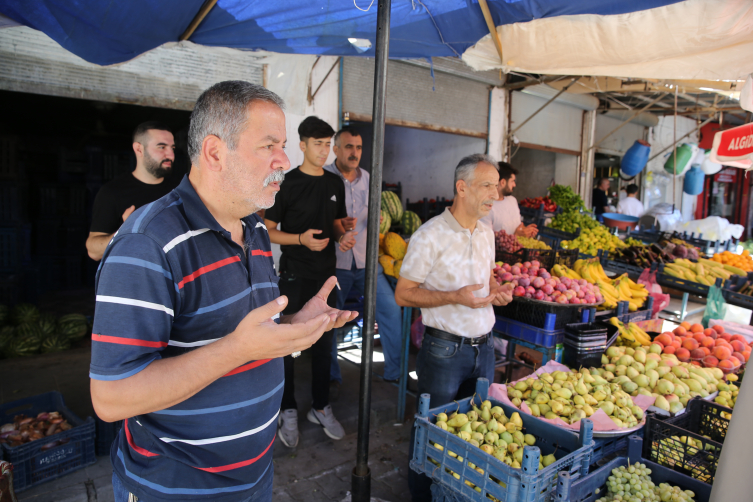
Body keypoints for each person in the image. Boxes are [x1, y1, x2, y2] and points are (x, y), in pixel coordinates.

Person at [89, 81, 357, 502]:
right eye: (269, 145)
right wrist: (238, 349)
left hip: (255, 479)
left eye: (283, 145)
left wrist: (291, 325)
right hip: (175, 490)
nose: (284, 160)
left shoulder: (254, 228)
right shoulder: (147, 242)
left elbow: (245, 334)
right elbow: (111, 397)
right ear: (215, 152)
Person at [394, 154, 514, 502]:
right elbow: (403, 294)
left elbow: (487, 282)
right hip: (444, 351)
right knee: (431, 434)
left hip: (485, 347)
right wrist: (454, 297)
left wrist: (497, 293)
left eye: (497, 184)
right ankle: (422, 497)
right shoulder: (430, 235)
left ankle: (457, 494)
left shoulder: (487, 232)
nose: (496, 192)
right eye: (487, 185)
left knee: (474, 433)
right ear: (462, 188)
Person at [264, 116, 349, 448]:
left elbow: (338, 222)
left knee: (325, 345)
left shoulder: (334, 183)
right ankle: (287, 409)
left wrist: (343, 238)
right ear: (302, 145)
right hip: (294, 274)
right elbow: (267, 230)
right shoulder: (286, 182)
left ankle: (320, 406)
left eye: (328, 144)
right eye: (318, 144)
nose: (325, 151)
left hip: (326, 276)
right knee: (288, 343)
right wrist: (299, 238)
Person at [324, 127, 404, 395]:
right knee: (330, 320)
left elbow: (378, 215)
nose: (354, 153)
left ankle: (395, 371)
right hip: (336, 264)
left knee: (391, 311)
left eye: (358, 148)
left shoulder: (370, 178)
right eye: (348, 147)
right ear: (336, 149)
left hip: (368, 263)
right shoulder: (323, 177)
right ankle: (331, 377)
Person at [86, 121, 179, 261]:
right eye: (161, 147)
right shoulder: (112, 192)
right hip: (137, 277)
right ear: (139, 149)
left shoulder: (180, 190)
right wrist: (127, 230)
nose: (171, 155)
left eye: (172, 148)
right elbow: (94, 252)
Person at [480, 162, 537, 237]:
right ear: (503, 182)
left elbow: (519, 226)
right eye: (512, 181)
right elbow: (487, 240)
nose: (514, 184)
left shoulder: (512, 200)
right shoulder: (485, 208)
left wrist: (526, 231)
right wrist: (516, 236)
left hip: (519, 247)